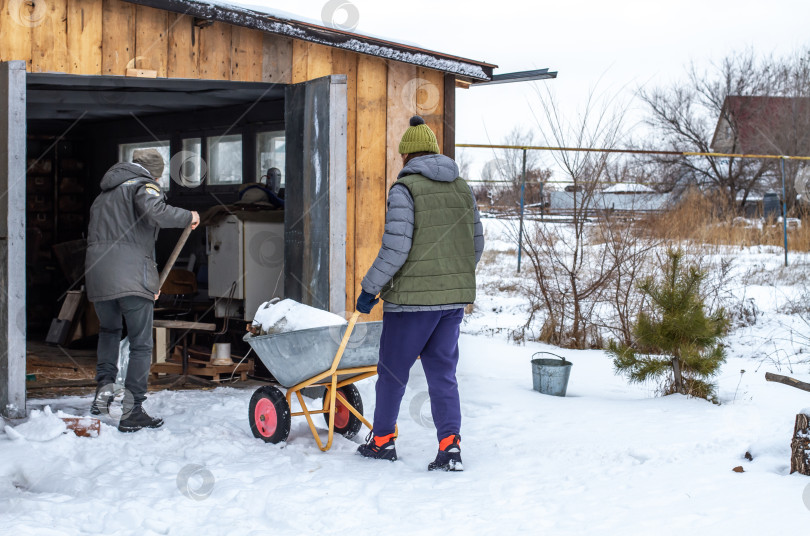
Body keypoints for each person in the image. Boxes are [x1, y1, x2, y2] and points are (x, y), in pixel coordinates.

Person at [355, 116, 484, 471]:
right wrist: (451, 277)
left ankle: (381, 441)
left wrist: (370, 288)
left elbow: (395, 250)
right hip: (452, 304)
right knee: (443, 374)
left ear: (406, 156)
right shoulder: (462, 188)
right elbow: (477, 243)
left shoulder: (405, 189)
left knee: (393, 373)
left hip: (410, 304)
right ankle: (450, 447)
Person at [85, 149, 200, 432]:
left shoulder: (104, 194)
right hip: (131, 274)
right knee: (140, 343)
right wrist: (189, 216)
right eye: (159, 176)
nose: (159, 181)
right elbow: (156, 211)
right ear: (153, 172)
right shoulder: (142, 185)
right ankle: (132, 410)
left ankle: (103, 395)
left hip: (99, 274)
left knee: (110, 332)